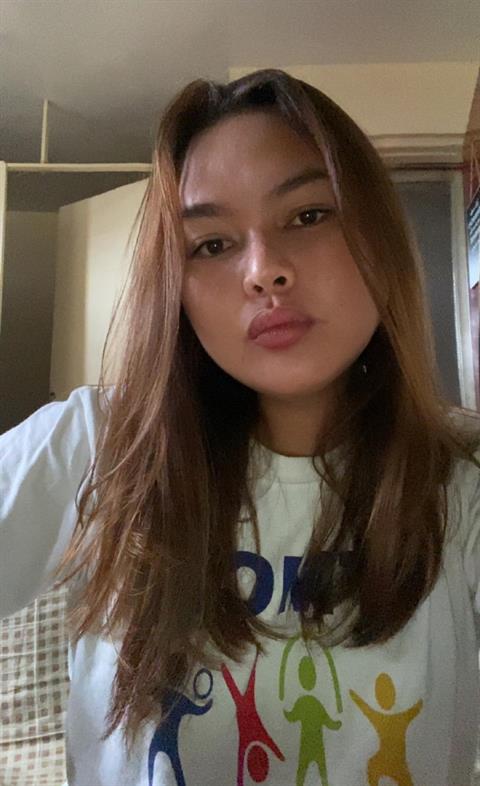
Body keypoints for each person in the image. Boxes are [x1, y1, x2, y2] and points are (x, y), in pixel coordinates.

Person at [1, 67, 480, 786]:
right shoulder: (98, 445)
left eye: (308, 215)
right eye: (212, 245)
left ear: (378, 238)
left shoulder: (462, 480)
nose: (264, 271)